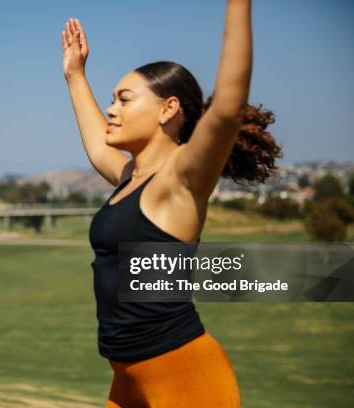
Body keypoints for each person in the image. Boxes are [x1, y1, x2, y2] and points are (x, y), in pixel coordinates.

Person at [61, 0, 280, 406]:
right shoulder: (131, 178)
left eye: (124, 100)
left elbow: (228, 109)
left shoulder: (181, 179)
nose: (111, 109)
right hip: (127, 380)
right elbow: (96, 146)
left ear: (168, 108)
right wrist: (75, 75)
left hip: (184, 379)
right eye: (113, 99)